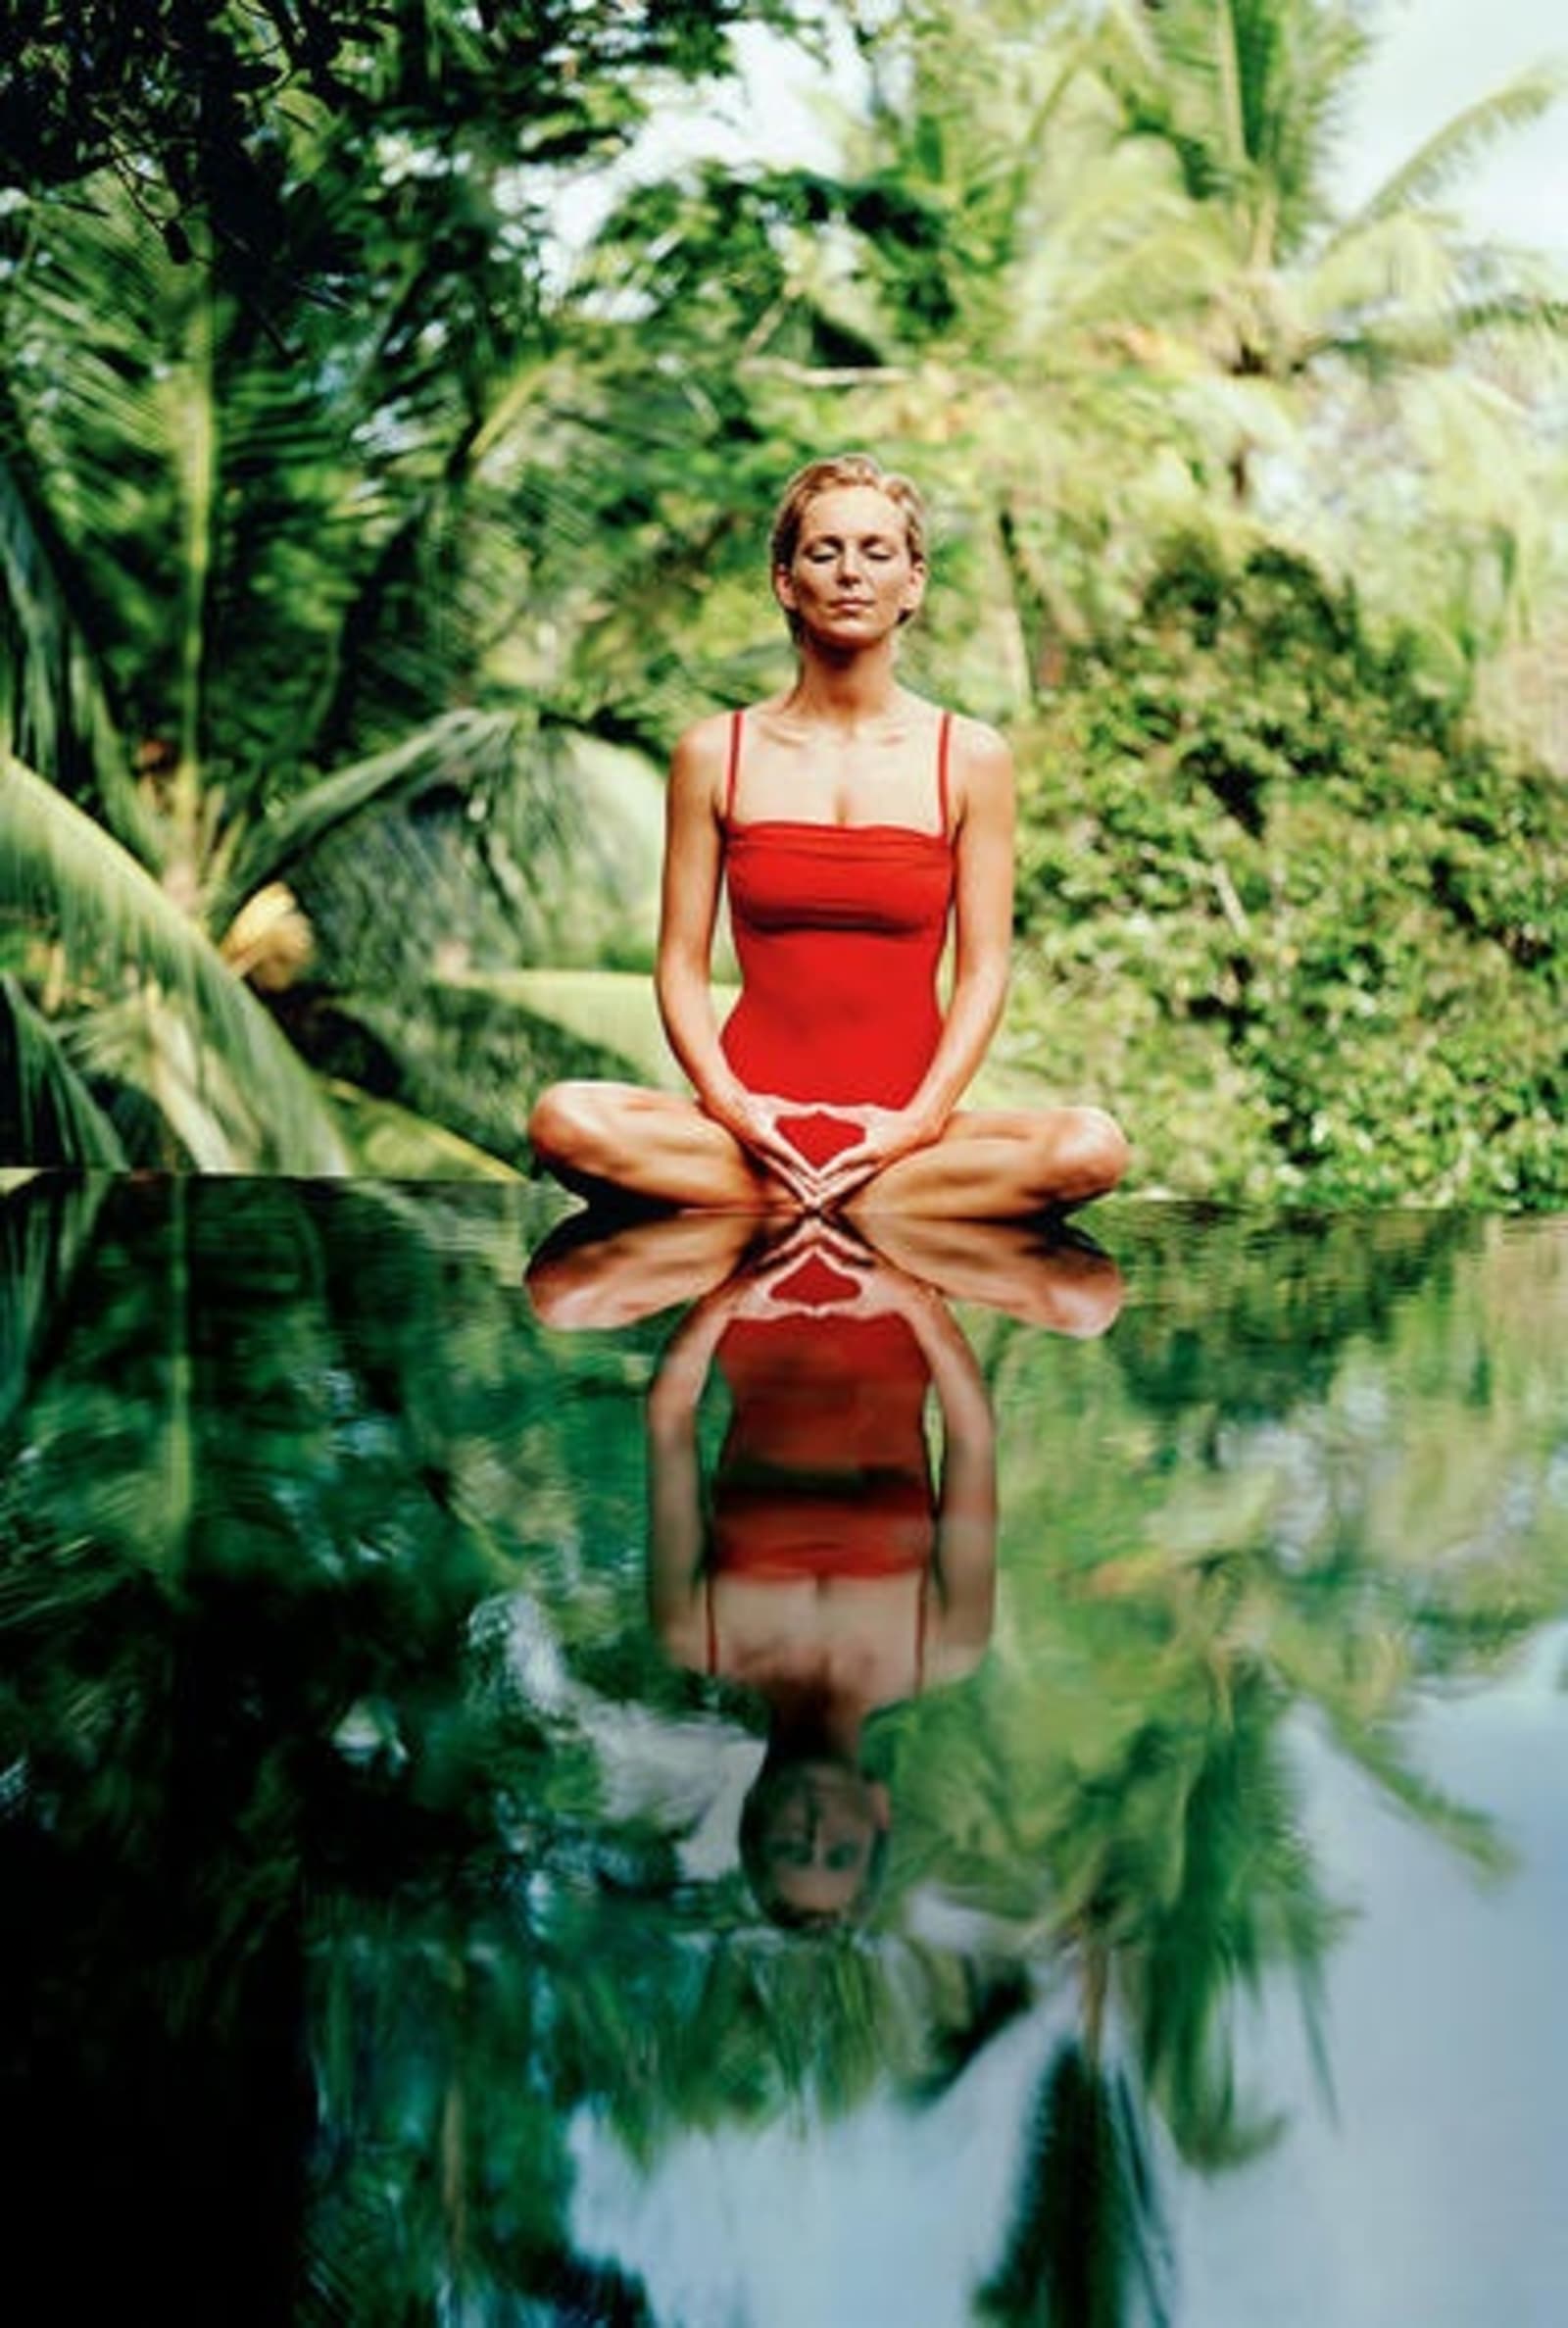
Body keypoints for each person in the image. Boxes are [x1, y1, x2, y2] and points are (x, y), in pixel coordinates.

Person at [528, 453, 1128, 1216]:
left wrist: (918, 1122)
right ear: (786, 581)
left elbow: (984, 971)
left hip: (907, 1134)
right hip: (748, 1129)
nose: (851, 572)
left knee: (1091, 1146)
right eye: (824, 550)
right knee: (564, 1120)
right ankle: (843, 1199)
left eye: (877, 552)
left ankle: (813, 1195)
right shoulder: (716, 752)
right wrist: (733, 1106)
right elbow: (679, 964)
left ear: (913, 583)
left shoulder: (971, 757)